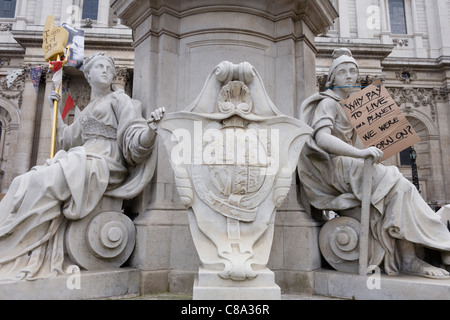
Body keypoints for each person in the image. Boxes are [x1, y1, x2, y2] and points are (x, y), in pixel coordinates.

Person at [0, 53, 165, 281]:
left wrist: (150, 131)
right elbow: (67, 139)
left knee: (44, 179)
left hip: (105, 162)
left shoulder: (120, 100)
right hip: (83, 157)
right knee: (23, 180)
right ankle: (15, 244)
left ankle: (20, 244)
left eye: (109, 67)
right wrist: (54, 110)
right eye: (99, 66)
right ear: (88, 75)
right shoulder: (88, 109)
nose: (105, 70)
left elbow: (133, 137)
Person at [298, 48, 450, 279]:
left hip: (350, 165)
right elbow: (322, 138)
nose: (349, 76)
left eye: (352, 71)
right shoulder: (328, 103)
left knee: (402, 189)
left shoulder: (348, 106)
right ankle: (435, 248)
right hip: (337, 167)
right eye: (342, 72)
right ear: (331, 78)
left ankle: (422, 253)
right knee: (398, 183)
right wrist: (361, 154)